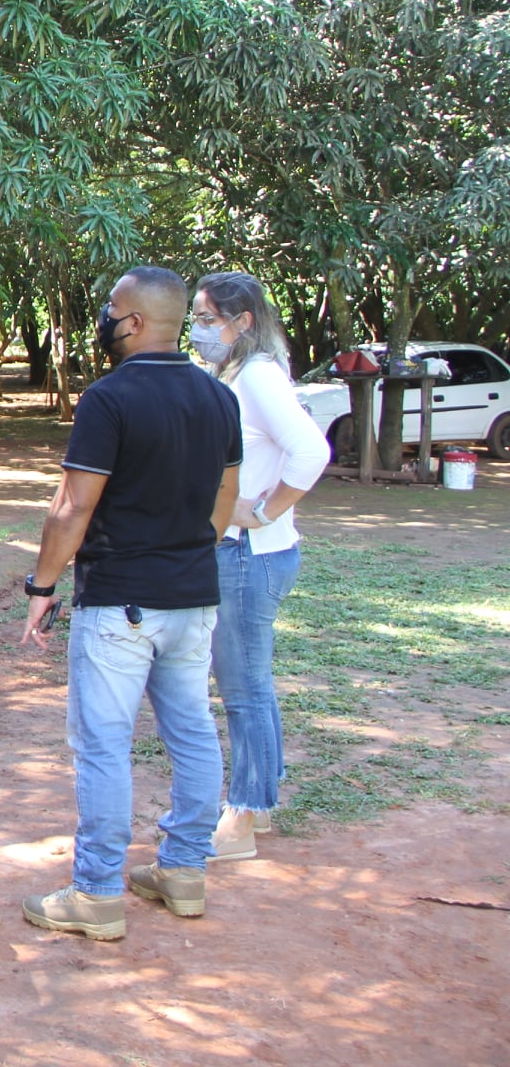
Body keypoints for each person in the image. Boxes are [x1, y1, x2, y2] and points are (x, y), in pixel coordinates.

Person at [19, 266, 241, 940]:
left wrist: (43, 587)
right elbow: (223, 505)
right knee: (194, 734)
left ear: (136, 322)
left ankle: (95, 894)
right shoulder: (217, 398)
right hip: (193, 597)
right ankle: (182, 871)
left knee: (104, 747)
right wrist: (184, 555)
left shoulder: (107, 399)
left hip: (119, 603)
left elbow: (72, 506)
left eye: (112, 310)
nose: (105, 321)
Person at [189, 272, 330, 862]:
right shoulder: (234, 374)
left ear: (241, 322)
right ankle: (260, 801)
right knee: (251, 685)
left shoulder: (260, 376)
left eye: (206, 317)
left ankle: (243, 815)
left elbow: (313, 450)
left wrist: (264, 511)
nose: (197, 329)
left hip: (250, 555)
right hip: (241, 552)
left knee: (244, 690)